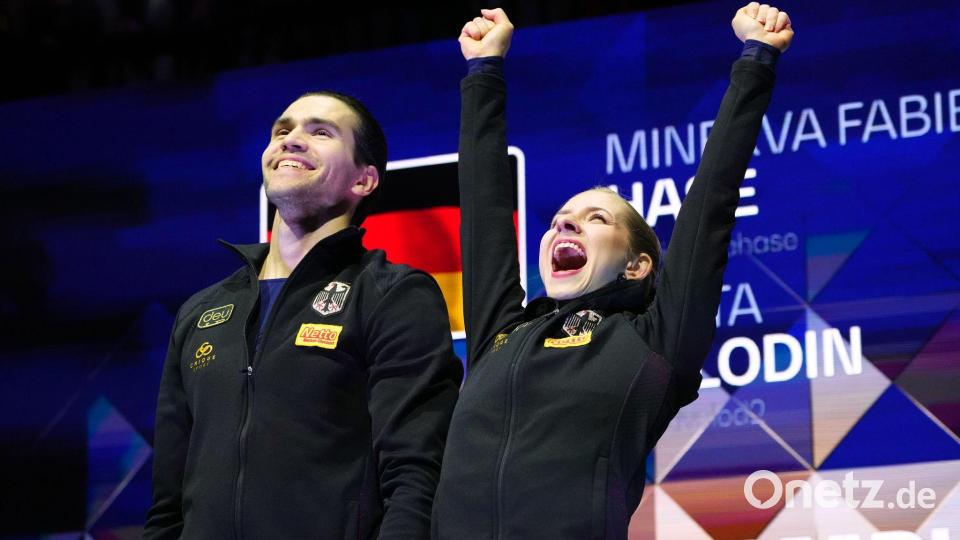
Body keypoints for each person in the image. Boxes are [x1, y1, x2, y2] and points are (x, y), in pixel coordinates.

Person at [433, 3, 793, 538]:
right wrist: (483, 68)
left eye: (594, 219)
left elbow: (711, 201)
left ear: (637, 265)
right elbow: (484, 209)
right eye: (557, 222)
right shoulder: (502, 334)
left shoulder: (656, 340)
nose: (564, 228)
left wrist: (757, 59)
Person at [144, 90, 464, 539]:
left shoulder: (392, 294)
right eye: (283, 130)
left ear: (364, 180)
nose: (292, 140)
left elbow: (415, 475)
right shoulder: (201, 311)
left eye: (320, 132)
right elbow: (167, 502)